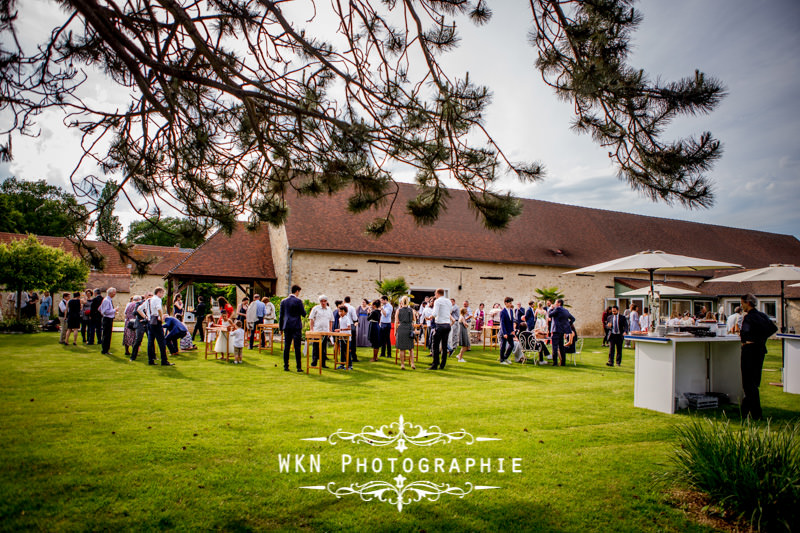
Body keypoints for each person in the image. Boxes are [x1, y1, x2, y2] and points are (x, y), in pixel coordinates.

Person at [739, 294, 778, 420]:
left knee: (748, 382)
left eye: (742, 303)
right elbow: (773, 328)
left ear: (747, 303)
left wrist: (751, 339)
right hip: (760, 350)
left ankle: (755, 413)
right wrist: (761, 338)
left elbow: (744, 333)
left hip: (749, 350)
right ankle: (746, 410)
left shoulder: (749, 318)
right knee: (754, 381)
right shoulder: (762, 315)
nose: (741, 306)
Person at [144, 287, 174, 366]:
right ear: (159, 292)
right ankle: (164, 360)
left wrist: (147, 317)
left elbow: (140, 309)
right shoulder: (157, 299)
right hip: (156, 321)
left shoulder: (149, 300)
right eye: (162, 293)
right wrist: (161, 318)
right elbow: (159, 309)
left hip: (150, 321)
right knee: (161, 342)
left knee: (150, 342)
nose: (163, 295)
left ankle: (150, 360)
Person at [279, 284, 306, 372]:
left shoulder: (283, 301)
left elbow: (281, 316)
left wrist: (280, 328)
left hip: (287, 325)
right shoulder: (298, 301)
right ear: (297, 291)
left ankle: (286, 366)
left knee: (287, 346)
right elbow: (303, 313)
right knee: (297, 347)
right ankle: (298, 367)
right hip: (296, 325)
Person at [308, 295, 334, 368]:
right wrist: (311, 329)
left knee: (323, 347)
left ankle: (323, 363)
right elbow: (311, 319)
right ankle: (314, 362)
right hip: (317, 330)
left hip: (325, 331)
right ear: (320, 302)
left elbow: (331, 320)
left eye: (324, 301)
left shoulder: (329, 309)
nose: (323, 303)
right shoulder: (316, 308)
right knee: (315, 347)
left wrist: (330, 330)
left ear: (326, 301)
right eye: (321, 301)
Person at [548, 298, 575, 366]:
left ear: (559, 303)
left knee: (554, 347)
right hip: (562, 331)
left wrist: (551, 309)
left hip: (556, 330)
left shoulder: (557, 309)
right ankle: (563, 362)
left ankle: (555, 363)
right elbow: (573, 319)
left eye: (555, 302)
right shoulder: (566, 310)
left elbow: (549, 315)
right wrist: (567, 324)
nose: (554, 303)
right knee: (561, 347)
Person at [429, 289, 452, 370]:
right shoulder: (448, 301)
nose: (435, 295)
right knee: (444, 345)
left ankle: (435, 364)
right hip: (447, 324)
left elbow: (435, 313)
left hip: (440, 324)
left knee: (435, 345)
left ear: (438, 293)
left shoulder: (437, 301)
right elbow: (450, 311)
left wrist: (430, 317)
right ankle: (442, 364)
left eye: (435, 294)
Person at [394, 295, 416, 370]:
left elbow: (396, 322)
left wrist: (395, 331)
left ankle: (402, 365)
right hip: (409, 328)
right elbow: (414, 319)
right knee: (410, 348)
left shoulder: (398, 310)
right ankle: (412, 363)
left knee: (402, 348)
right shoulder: (411, 310)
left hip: (401, 329)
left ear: (401, 302)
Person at [129, 293, 151, 362]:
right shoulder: (139, 303)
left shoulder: (152, 304)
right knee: (138, 340)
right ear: (146, 297)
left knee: (150, 340)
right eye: (149, 296)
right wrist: (144, 317)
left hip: (147, 323)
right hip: (140, 323)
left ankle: (152, 356)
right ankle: (133, 356)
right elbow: (135, 312)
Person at [99, 287, 119, 355]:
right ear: (110, 293)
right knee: (106, 335)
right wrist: (114, 310)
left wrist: (113, 312)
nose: (115, 294)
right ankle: (104, 350)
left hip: (109, 318)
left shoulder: (108, 300)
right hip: (107, 319)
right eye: (114, 292)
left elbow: (100, 308)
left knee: (108, 335)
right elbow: (104, 311)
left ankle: (106, 349)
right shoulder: (106, 300)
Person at [335, 305, 354, 370]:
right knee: (342, 351)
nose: (340, 313)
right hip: (341, 337)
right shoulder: (340, 319)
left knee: (347, 351)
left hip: (347, 337)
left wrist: (341, 330)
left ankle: (350, 365)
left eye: (342, 311)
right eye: (339, 311)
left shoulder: (347, 318)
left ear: (345, 312)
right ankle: (342, 364)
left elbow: (349, 327)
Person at [498, 297, 515, 365]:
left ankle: (505, 357)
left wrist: (512, 330)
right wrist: (504, 333)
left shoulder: (511, 311)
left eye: (511, 303)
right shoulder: (502, 312)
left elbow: (512, 321)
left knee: (512, 345)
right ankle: (502, 360)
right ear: (506, 303)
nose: (511, 304)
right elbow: (502, 323)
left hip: (510, 331)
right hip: (504, 331)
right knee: (503, 345)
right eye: (510, 303)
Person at [343, 296, 359, 362]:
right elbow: (355, 318)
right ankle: (353, 356)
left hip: (343, 326)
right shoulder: (352, 308)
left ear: (344, 301)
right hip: (351, 324)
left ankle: (344, 357)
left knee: (344, 342)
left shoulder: (341, 307)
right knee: (352, 342)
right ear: (350, 301)